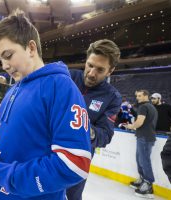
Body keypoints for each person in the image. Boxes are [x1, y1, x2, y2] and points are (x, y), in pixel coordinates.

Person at [0, 9, 91, 200]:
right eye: (0, 60)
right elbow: (6, 144)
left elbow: (74, 165)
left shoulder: (60, 87)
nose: (4, 66)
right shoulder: (12, 91)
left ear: (31, 48)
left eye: (8, 55)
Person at [67, 39, 122, 200]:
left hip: (78, 161)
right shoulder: (67, 77)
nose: (91, 73)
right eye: (90, 65)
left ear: (110, 71)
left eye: (100, 69)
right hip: (47, 153)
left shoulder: (112, 97)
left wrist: (85, 129)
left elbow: (105, 135)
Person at [124, 89, 158, 199]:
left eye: (139, 96)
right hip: (145, 137)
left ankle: (148, 185)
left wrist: (130, 126)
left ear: (146, 96)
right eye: (137, 96)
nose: (137, 98)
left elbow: (139, 122)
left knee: (144, 161)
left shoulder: (143, 107)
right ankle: (143, 180)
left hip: (145, 137)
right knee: (140, 160)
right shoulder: (152, 107)